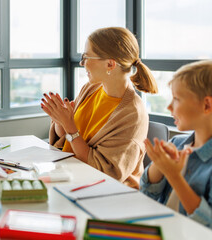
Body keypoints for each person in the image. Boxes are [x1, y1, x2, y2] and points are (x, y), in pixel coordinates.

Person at [42, 27, 158, 189]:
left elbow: (105, 171)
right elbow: (66, 141)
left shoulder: (132, 114)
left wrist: (70, 126)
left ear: (110, 64)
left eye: (86, 57)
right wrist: (60, 120)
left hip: (108, 192)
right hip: (71, 177)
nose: (82, 63)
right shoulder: (90, 89)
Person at [140, 60, 212, 228]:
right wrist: (159, 165)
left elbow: (208, 224)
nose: (169, 107)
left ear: (207, 105)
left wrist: (174, 176)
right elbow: (145, 194)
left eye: (177, 99)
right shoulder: (176, 143)